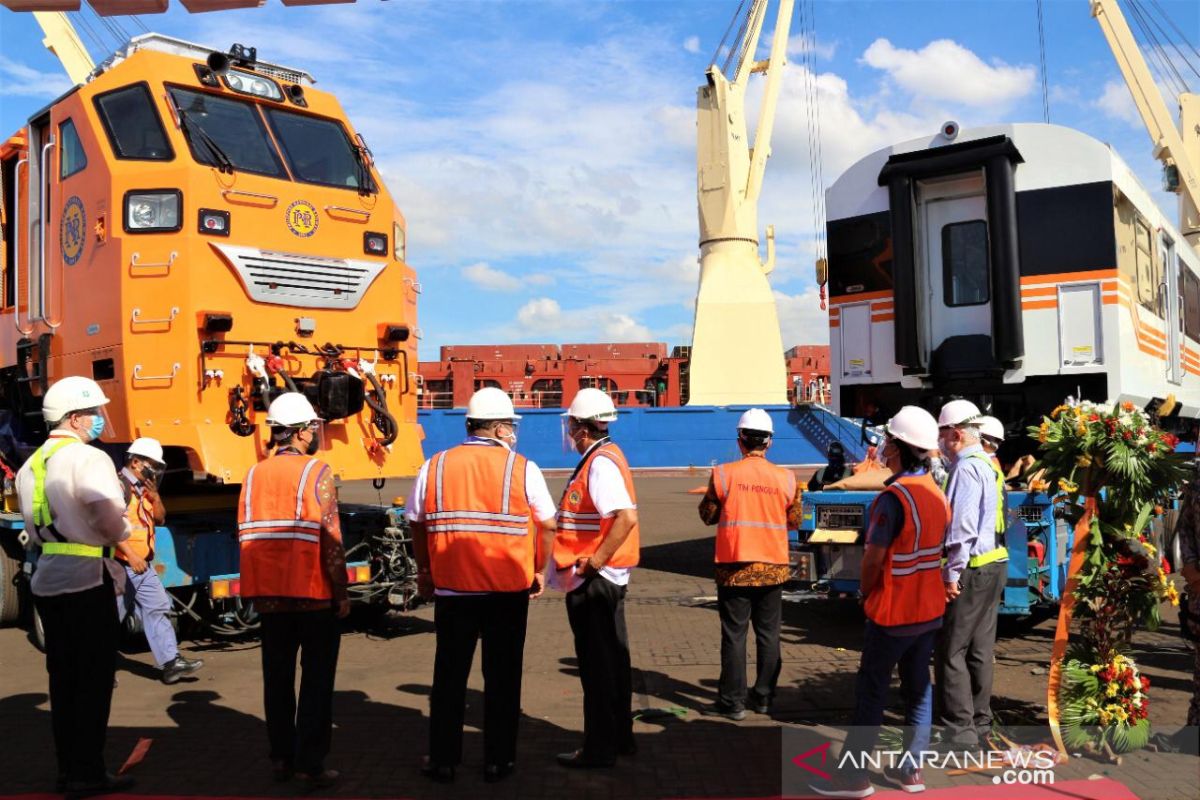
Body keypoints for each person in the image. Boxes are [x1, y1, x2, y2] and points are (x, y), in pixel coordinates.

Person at [407, 387, 558, 784]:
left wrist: (424, 570)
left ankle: (443, 760)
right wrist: (538, 568)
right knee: (503, 679)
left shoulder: (434, 466)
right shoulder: (522, 468)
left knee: (449, 678)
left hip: (452, 591)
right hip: (506, 593)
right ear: (496, 427)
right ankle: (499, 761)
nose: (512, 432)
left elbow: (416, 522)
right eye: (509, 425)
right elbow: (548, 523)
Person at [810, 406, 950, 798]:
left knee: (871, 692)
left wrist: (866, 592)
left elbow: (873, 560)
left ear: (901, 447)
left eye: (889, 441)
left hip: (893, 614)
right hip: (929, 613)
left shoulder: (894, 498)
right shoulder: (937, 496)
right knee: (919, 689)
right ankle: (912, 772)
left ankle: (854, 777)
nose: (883, 447)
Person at [15, 376, 134, 798]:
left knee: (63, 683)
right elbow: (107, 518)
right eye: (95, 412)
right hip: (86, 582)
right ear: (77, 417)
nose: (100, 418)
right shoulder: (89, 459)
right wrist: (127, 526)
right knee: (94, 682)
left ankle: (69, 769)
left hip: (48, 580)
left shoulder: (32, 465)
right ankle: (88, 773)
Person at [237, 392, 348, 789]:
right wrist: (341, 589)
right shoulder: (316, 471)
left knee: (277, 681)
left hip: (268, 597)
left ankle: (281, 759)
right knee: (316, 683)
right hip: (312, 594)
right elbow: (330, 536)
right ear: (302, 432)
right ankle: (310, 764)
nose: (316, 434)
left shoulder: (253, 475)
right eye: (314, 428)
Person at [552, 388, 640, 769]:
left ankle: (599, 749)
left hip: (594, 581)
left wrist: (594, 563)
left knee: (597, 667)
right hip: (607, 578)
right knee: (614, 661)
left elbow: (625, 517)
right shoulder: (604, 456)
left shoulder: (599, 463)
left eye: (572, 425)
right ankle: (620, 738)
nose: (569, 431)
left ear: (580, 428)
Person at [698, 408, 802, 720]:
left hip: (734, 568)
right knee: (769, 635)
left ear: (741, 440)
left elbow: (708, 515)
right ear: (769, 443)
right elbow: (794, 520)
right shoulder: (786, 479)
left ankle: (732, 702)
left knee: (734, 636)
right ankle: (765, 698)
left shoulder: (724, 475)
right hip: (773, 566)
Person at [934, 399, 1007, 749]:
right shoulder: (988, 464)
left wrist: (952, 573)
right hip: (995, 565)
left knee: (951, 651)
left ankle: (960, 732)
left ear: (957, 434)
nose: (940, 442)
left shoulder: (964, 468)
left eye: (942, 434)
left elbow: (962, 528)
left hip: (974, 569)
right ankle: (981, 724)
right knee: (980, 650)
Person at [115, 437, 203, 684]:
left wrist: (156, 497)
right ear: (135, 462)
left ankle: (171, 663)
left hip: (142, 565)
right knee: (109, 617)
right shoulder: (118, 486)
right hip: (121, 565)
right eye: (151, 465)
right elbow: (107, 526)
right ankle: (94, 667)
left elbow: (161, 518)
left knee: (158, 607)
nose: (155, 471)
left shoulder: (143, 489)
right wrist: (131, 556)